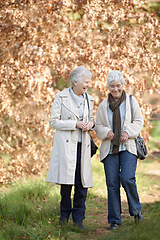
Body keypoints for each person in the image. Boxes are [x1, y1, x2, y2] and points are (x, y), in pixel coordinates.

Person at [46, 65, 95, 230]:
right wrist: (75, 123)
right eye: (86, 82)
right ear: (75, 82)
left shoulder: (90, 99)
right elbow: (54, 122)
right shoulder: (60, 97)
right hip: (67, 146)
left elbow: (92, 119)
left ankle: (79, 218)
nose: (88, 85)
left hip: (83, 146)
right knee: (67, 183)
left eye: (89, 82)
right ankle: (64, 216)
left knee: (82, 183)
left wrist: (91, 124)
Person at [96, 70, 144, 230]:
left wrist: (127, 132)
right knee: (112, 184)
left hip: (128, 146)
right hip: (110, 148)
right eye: (112, 86)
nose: (115, 89)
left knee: (127, 179)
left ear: (123, 85)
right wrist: (106, 132)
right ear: (108, 87)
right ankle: (115, 220)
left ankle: (136, 210)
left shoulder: (131, 101)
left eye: (118, 86)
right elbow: (99, 126)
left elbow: (138, 121)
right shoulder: (103, 106)